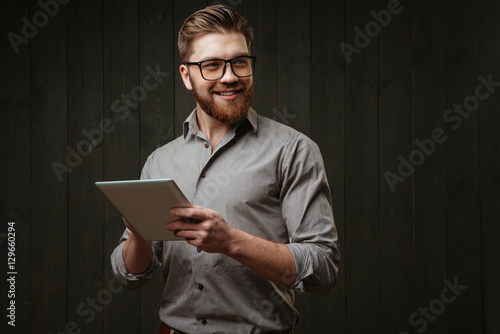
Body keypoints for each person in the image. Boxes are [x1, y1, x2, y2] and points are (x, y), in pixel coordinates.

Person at [111, 5, 340, 334]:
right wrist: (138, 234)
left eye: (240, 62)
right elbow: (130, 274)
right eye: (212, 65)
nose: (230, 76)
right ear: (187, 76)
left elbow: (323, 269)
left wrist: (231, 241)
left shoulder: (294, 151)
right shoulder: (160, 161)